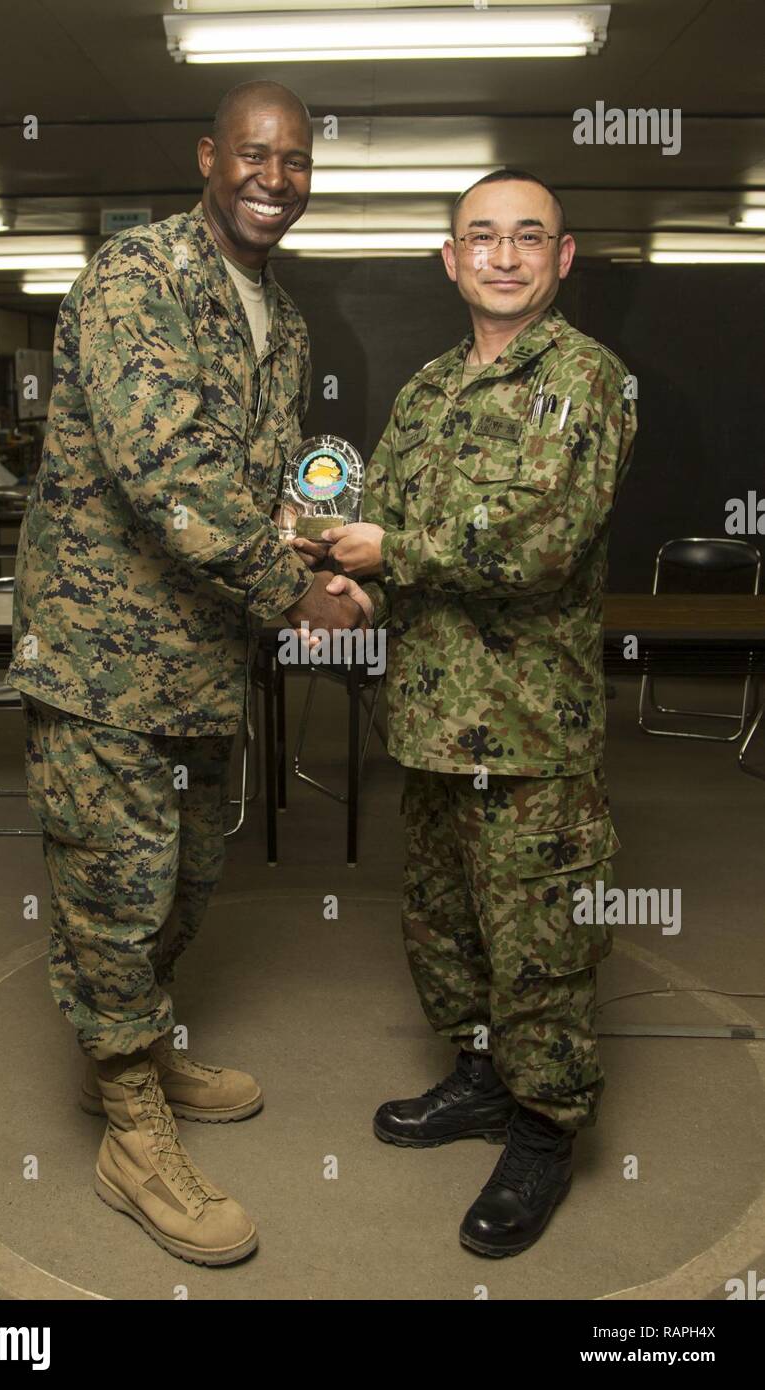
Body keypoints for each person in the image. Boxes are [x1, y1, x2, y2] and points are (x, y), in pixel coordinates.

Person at [6, 80, 362, 1267]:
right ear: (208, 157)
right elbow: (165, 465)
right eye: (255, 155)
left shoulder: (282, 317)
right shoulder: (136, 279)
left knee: (184, 880)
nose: (275, 178)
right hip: (106, 661)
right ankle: (126, 1126)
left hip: (200, 665)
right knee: (113, 890)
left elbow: (245, 485)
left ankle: (140, 1045)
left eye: (297, 162)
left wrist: (312, 547)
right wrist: (294, 593)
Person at [306, 169, 638, 1258]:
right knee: (446, 933)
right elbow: (388, 534)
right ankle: (483, 1078)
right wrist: (353, 588)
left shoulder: (587, 382)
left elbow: (542, 548)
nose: (502, 255)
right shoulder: (425, 390)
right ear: (449, 260)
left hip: (531, 736)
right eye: (480, 238)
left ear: (561, 258)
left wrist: (389, 554)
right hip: (432, 727)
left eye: (526, 237)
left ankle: (544, 1131)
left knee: (540, 943)